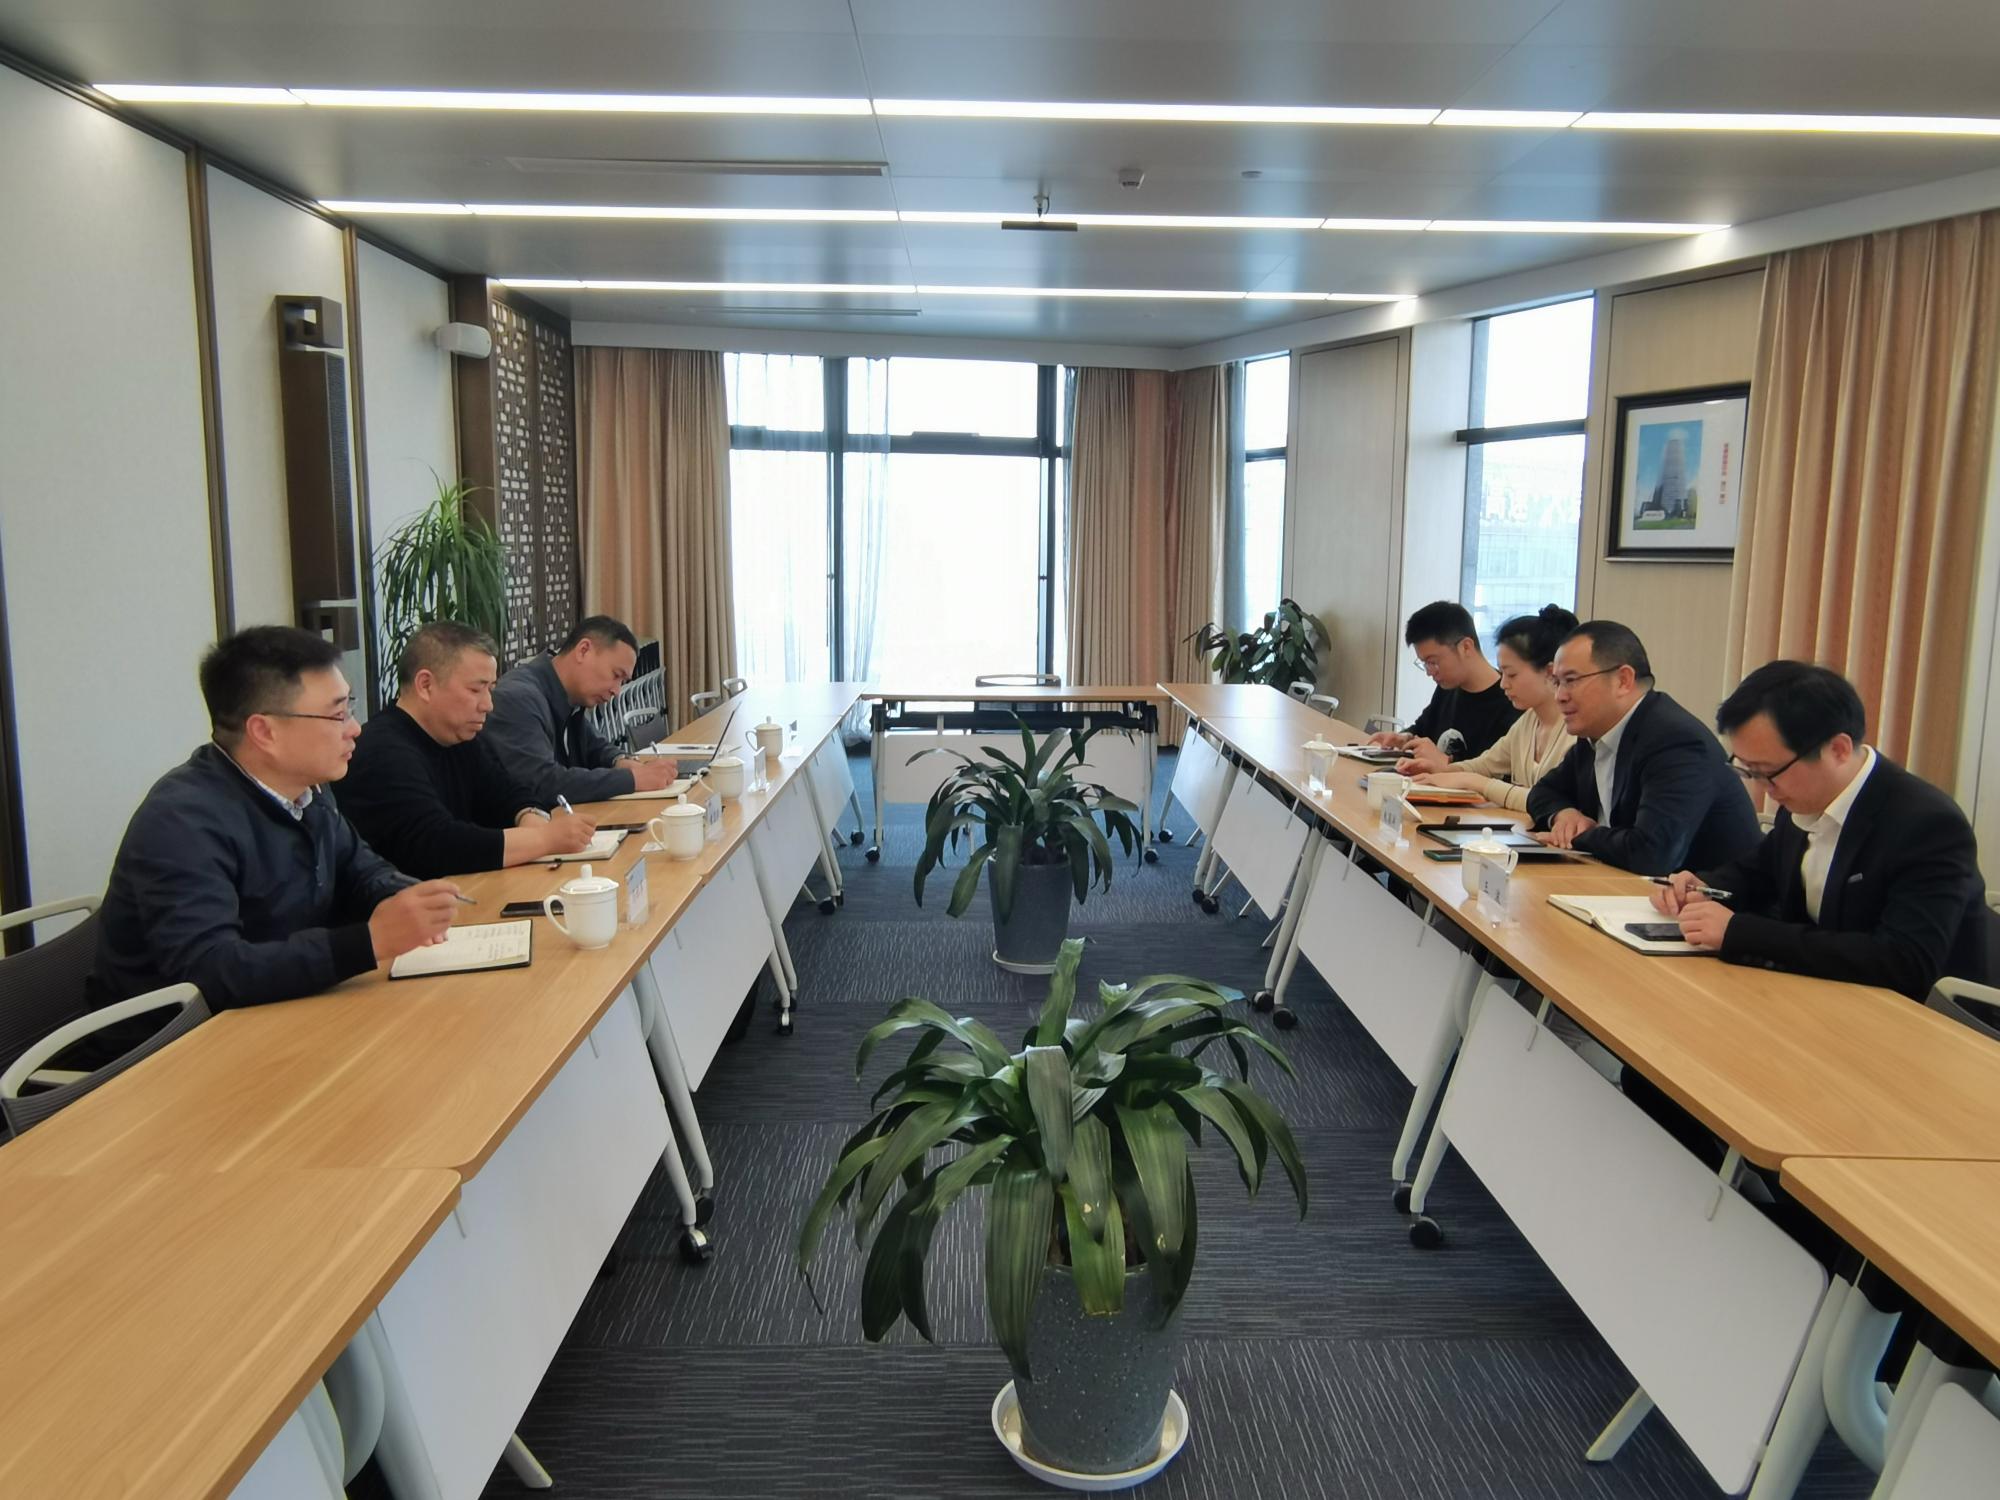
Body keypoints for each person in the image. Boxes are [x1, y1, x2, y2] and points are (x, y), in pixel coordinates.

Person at [88, 625, 462, 1031]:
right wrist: (369, 942)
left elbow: (361, 870)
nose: (355, 728)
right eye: (338, 714)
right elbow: (211, 972)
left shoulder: (308, 790)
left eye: (349, 708)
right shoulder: (181, 822)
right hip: (172, 1047)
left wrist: (406, 897)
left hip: (277, 1012)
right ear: (264, 732)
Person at [1649, 660, 1986, 1000]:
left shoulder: (1927, 824)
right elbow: (1758, 873)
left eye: (1768, 772)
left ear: (1838, 749)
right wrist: (1704, 887)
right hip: (1825, 992)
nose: (1763, 787)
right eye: (1749, 771)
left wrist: (1740, 932)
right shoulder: (1803, 797)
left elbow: (1904, 962)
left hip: (1927, 1014)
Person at [339, 621, 597, 878]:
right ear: (425, 685)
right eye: (476, 689)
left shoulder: (458, 736)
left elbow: (507, 792)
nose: (488, 705)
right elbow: (438, 845)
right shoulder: (382, 752)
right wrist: (544, 839)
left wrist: (531, 816)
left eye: (490, 689)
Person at [1526, 620, 1761, 874]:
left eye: (1571, 680)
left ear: (1623, 680)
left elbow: (1651, 853)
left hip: (1705, 894)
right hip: (1624, 884)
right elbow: (1543, 792)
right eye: (1557, 682)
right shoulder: (1594, 734)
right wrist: (1564, 815)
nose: (1560, 696)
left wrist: (1582, 835)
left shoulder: (1675, 741)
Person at [485, 615, 681, 803]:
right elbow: (542, 783)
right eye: (616, 675)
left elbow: (595, 747)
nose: (617, 691)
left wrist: (620, 760)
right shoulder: (518, 698)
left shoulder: (567, 695)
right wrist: (632, 780)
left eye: (622, 681)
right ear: (583, 650)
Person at [1399, 604, 1579, 810]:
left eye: (1511, 674)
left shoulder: (1575, 734)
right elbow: (1484, 765)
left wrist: (1474, 782)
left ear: (1549, 672)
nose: (1503, 684)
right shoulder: (1528, 722)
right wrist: (1439, 771)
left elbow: (1546, 800)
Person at [1367, 600, 1517, 761]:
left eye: (1433, 662)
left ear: (1466, 647)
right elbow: (1421, 729)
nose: (1429, 672)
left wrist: (1444, 763)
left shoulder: (1511, 701)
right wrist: (1403, 739)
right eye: (1424, 663)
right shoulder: (1448, 687)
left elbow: (1492, 771)